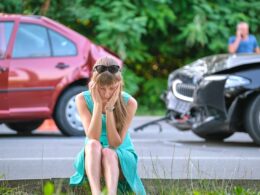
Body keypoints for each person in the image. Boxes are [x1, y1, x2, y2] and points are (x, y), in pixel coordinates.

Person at [70, 56, 146, 195]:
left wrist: (110, 109)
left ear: (119, 84)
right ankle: (96, 193)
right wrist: (98, 105)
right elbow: (92, 136)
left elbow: (115, 143)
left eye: (112, 88)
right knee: (93, 144)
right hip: (93, 158)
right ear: (93, 84)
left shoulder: (129, 103)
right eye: (101, 88)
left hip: (121, 157)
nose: (106, 94)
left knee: (109, 152)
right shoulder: (82, 99)